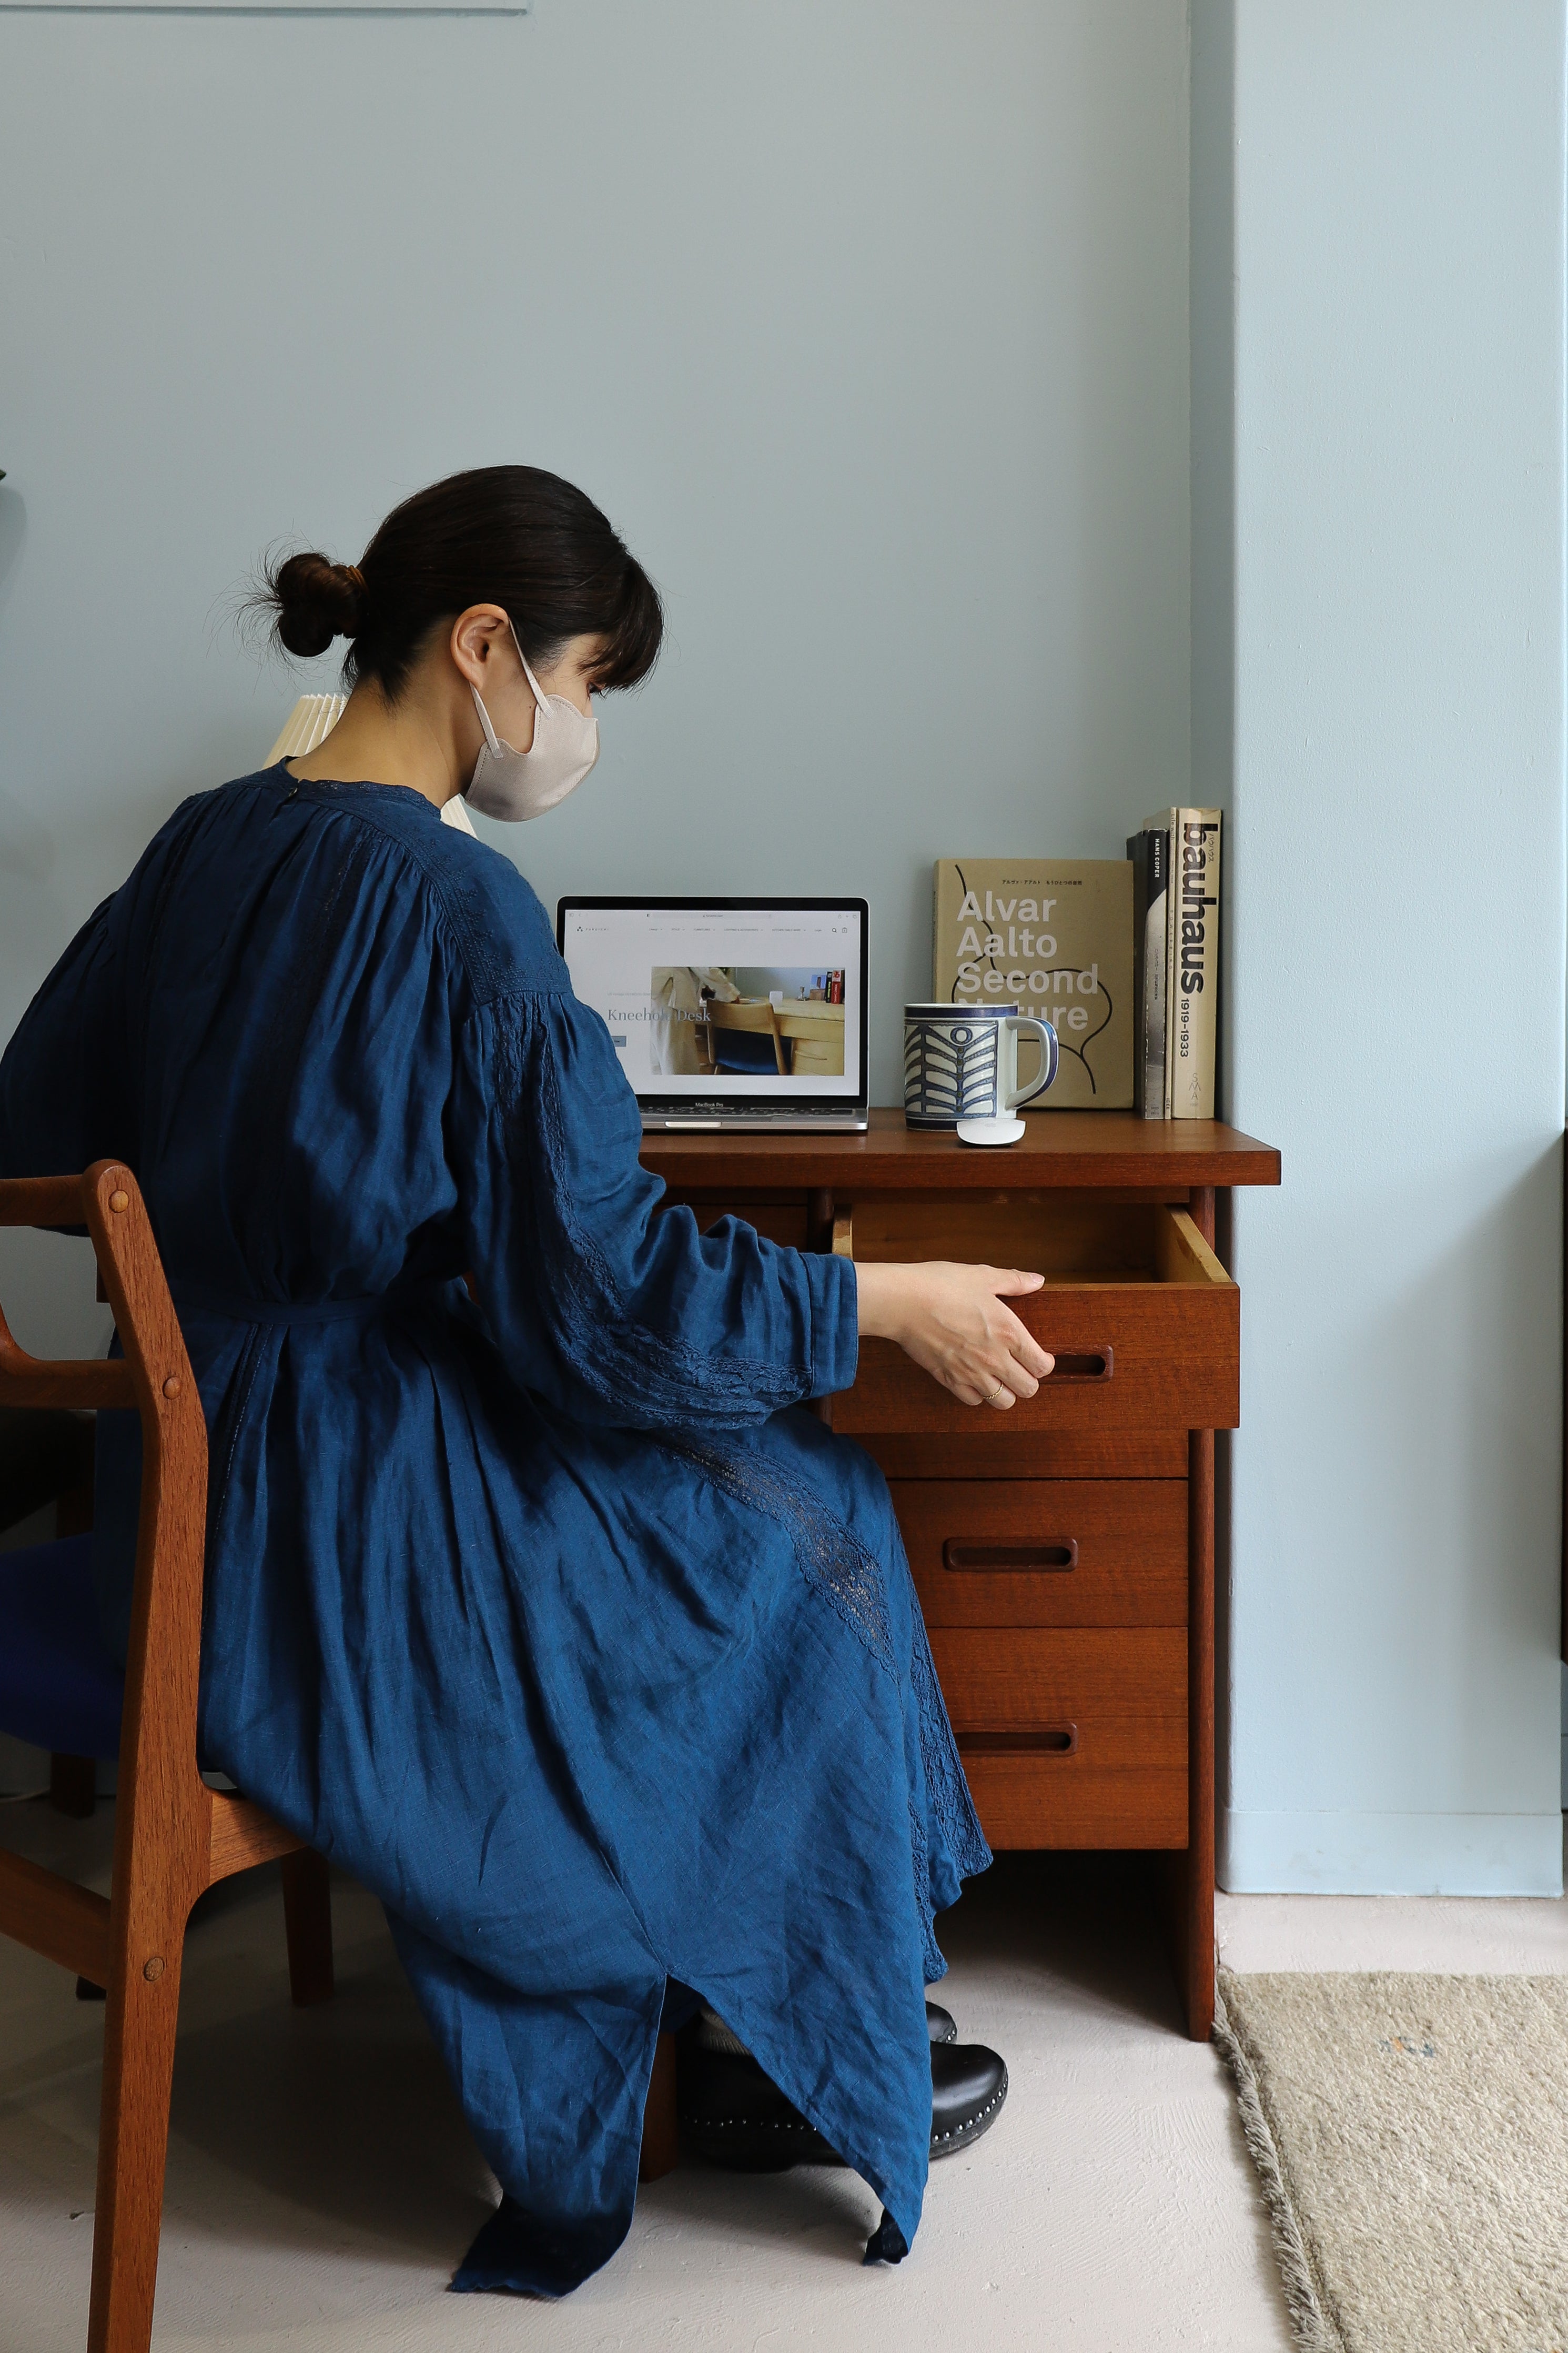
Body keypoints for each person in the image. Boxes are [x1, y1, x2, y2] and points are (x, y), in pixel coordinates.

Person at [0, 466, 1056, 2295]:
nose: (578, 732)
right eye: (587, 683)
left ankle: (761, 2010)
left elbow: (41, 1118)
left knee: (735, 1496)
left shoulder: (198, 840)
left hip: (179, 1486)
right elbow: (609, 1306)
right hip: (329, 1516)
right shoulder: (454, 907)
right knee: (802, 1515)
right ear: (486, 648)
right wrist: (881, 1294)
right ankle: (756, 2042)